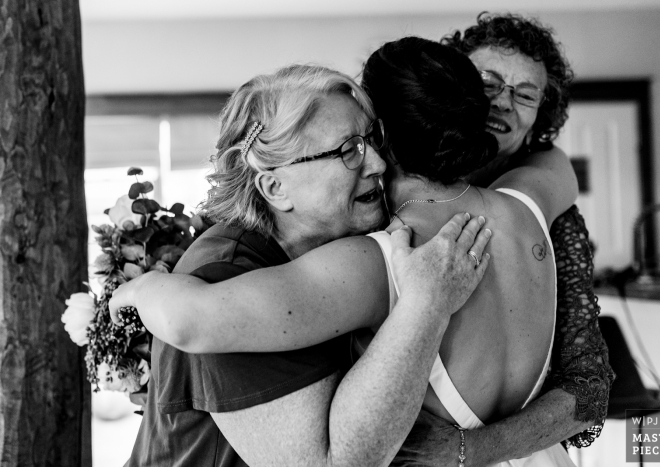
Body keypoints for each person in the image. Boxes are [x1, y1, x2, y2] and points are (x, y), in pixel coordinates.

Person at [111, 37, 579, 466]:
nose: (373, 162)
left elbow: (190, 318)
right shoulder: (529, 203)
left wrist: (142, 287)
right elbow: (556, 162)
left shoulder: (378, 256)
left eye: (370, 139)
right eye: (350, 149)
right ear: (274, 185)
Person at [428, 12, 615, 462]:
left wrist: (468, 452)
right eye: (487, 82)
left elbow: (587, 388)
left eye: (525, 94)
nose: (502, 103)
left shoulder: (553, 215)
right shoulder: (396, 185)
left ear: (538, 119)